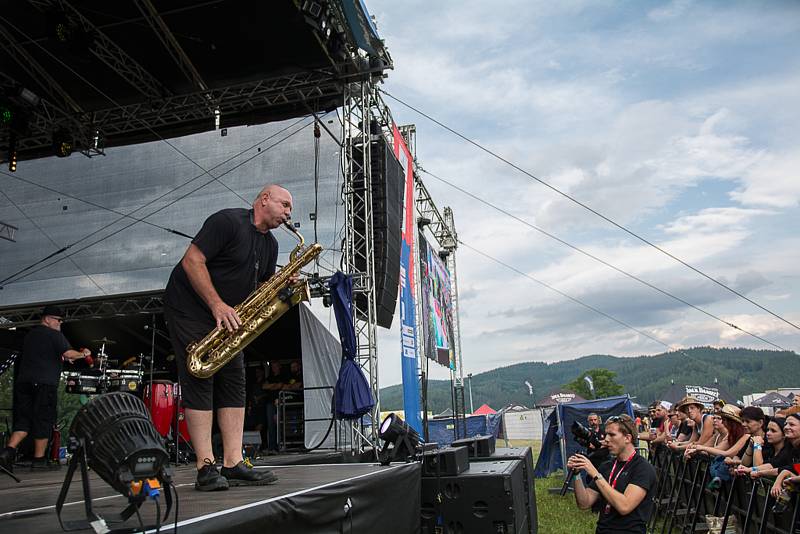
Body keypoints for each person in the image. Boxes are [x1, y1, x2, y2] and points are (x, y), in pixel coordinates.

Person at [163, 184, 293, 491]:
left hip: (228, 317)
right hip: (189, 307)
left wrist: (281, 284)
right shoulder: (227, 222)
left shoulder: (271, 245)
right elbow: (191, 261)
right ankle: (205, 467)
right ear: (264, 199)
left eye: (290, 209)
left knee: (235, 377)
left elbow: (260, 288)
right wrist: (216, 304)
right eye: (285, 205)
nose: (289, 213)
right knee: (200, 375)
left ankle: (233, 463)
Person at [0, 306, 91, 472]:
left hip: (24, 382)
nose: (60, 323)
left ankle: (7, 453)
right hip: (44, 384)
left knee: (23, 420)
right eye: (58, 319)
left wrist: (60, 356)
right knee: (43, 419)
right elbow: (70, 353)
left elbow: (43, 354)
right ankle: (39, 460)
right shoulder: (54, 334)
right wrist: (83, 354)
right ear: (47, 319)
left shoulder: (30, 335)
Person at [568, 414, 656, 534]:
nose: (607, 439)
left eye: (612, 435)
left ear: (627, 438)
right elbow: (585, 503)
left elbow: (624, 506)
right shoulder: (607, 466)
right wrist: (577, 475)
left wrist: (594, 473)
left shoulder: (643, 468)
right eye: (606, 434)